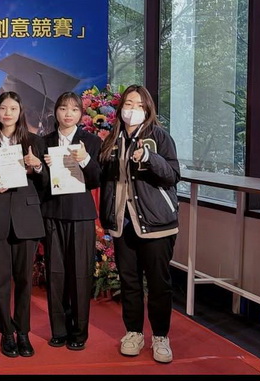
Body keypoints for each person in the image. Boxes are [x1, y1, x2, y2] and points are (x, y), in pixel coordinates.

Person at [98, 85, 180, 364]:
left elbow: (172, 175)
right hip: (123, 223)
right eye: (128, 104)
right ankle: (133, 333)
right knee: (129, 281)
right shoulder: (112, 139)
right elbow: (103, 178)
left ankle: (160, 336)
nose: (132, 110)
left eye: (139, 105)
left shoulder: (159, 137)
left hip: (156, 223)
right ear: (120, 108)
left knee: (158, 284)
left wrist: (149, 157)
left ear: (148, 109)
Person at [0, 91, 47, 358]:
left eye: (13, 108)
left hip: (27, 217)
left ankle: (23, 331)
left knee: (25, 280)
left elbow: (46, 182)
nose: (7, 113)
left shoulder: (34, 142)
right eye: (3, 108)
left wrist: (38, 167)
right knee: (1, 280)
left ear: (20, 112)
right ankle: (6, 332)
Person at [40, 92, 102, 351]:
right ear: (56, 111)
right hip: (52, 213)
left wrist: (84, 159)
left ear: (80, 114)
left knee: (80, 273)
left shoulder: (91, 141)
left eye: (74, 109)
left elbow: (97, 179)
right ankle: (59, 330)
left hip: (80, 214)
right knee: (55, 274)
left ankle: (79, 331)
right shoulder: (44, 142)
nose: (68, 114)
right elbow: (39, 184)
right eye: (63, 108)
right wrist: (40, 168)